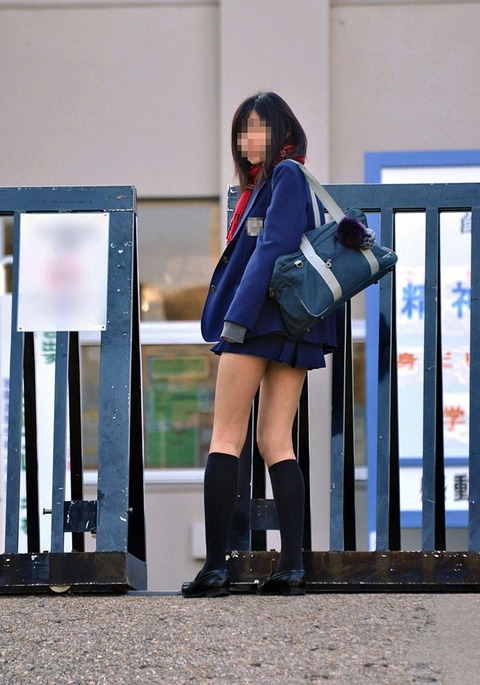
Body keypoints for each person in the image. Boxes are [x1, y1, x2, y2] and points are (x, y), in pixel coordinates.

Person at [181, 92, 336, 598]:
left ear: (281, 131)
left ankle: (215, 568)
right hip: (291, 326)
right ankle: (290, 568)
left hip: (259, 322)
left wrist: (237, 320)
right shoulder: (275, 181)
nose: (247, 140)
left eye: (257, 128)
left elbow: (271, 249)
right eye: (242, 131)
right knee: (275, 442)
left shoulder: (285, 176)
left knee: (226, 437)